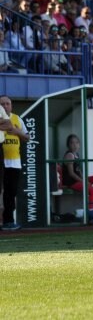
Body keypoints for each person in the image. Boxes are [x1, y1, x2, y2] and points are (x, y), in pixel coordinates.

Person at [1, 95, 30, 231]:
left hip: (14, 163)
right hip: (2, 161)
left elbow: (27, 138)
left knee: (10, 193)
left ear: (11, 105)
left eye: (8, 104)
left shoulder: (17, 119)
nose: (5, 106)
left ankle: (8, 221)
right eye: (2, 104)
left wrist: (17, 131)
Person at [62, 134, 93, 223]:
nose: (75, 145)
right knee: (91, 190)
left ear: (79, 144)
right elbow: (71, 173)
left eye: (77, 143)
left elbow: (79, 171)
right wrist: (84, 181)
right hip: (71, 181)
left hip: (78, 179)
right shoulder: (70, 155)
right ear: (68, 145)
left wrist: (85, 179)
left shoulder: (76, 154)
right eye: (72, 143)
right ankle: (91, 211)